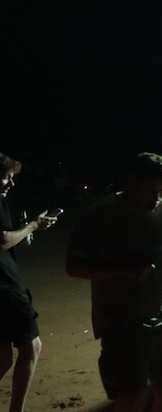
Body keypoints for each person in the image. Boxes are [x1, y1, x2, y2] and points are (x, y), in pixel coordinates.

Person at [66, 153, 162, 412]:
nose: (157, 199)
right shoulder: (100, 216)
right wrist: (124, 270)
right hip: (120, 321)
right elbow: (74, 267)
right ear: (132, 185)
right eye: (151, 192)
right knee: (132, 397)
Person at [1, 152, 58, 412]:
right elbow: (2, 241)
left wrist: (28, 226)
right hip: (5, 288)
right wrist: (33, 226)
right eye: (6, 178)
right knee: (31, 347)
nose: (11, 184)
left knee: (2, 358)